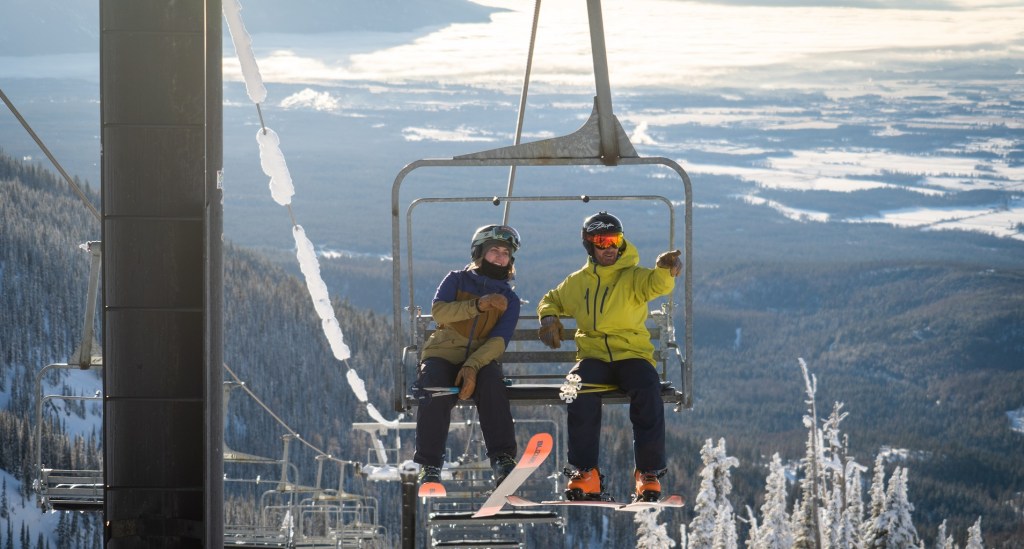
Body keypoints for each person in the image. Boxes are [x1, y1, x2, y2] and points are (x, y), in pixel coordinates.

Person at [536, 211, 682, 503]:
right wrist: (549, 317)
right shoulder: (578, 282)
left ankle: (648, 473)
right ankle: (586, 472)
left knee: (646, 387)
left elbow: (657, 284)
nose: (609, 247)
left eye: (614, 240)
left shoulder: (633, 277)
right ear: (589, 245)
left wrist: (666, 270)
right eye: (601, 241)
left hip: (632, 354)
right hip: (594, 357)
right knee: (578, 387)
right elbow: (551, 299)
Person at [413, 224, 523, 490]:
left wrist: (473, 365)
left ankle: (503, 459)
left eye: (505, 253)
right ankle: (429, 466)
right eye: (493, 250)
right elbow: (440, 313)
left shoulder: (510, 299)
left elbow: (499, 341)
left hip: (481, 359)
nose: (499, 256)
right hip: (443, 353)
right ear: (479, 253)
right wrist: (478, 305)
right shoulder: (456, 280)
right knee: (435, 388)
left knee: (492, 385)